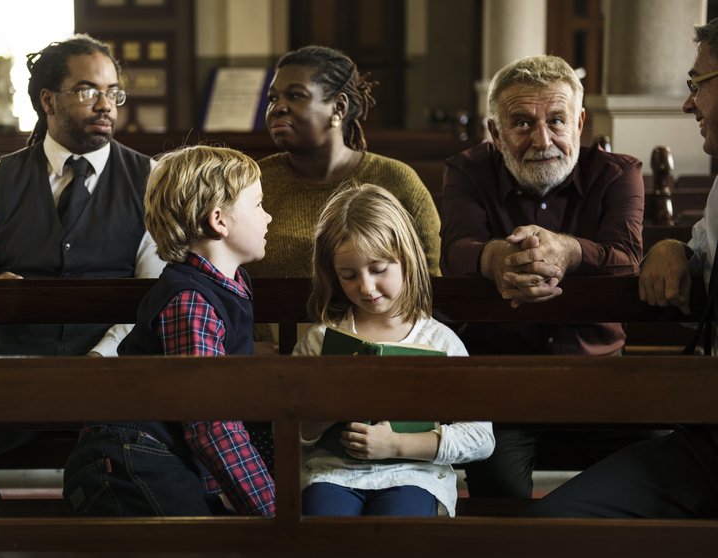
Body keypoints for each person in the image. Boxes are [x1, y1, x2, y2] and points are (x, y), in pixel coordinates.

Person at [0, 34, 164, 499]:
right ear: (48, 99)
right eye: (89, 90)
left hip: (115, 375)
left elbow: (157, 294)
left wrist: (99, 359)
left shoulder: (150, 181)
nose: (106, 104)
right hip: (17, 372)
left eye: (113, 92)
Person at [525, 19, 718, 519]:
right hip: (706, 443)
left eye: (697, 84)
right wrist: (673, 247)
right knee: (550, 525)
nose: (687, 103)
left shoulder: (617, 175)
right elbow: (698, 258)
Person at [440, 54, 653, 499]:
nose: (543, 140)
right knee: (499, 491)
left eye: (556, 121)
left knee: (644, 484)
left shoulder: (619, 174)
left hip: (598, 378)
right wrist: (497, 258)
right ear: (494, 133)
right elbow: (456, 254)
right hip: (500, 381)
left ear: (579, 123)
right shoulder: (466, 171)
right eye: (521, 123)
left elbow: (628, 259)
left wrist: (569, 250)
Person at [63, 145, 276, 516]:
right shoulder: (191, 301)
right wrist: (276, 511)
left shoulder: (227, 286)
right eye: (258, 204)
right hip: (126, 458)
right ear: (219, 221)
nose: (268, 216)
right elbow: (210, 423)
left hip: (153, 456)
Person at [293, 183, 493, 517]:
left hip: (413, 475)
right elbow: (288, 430)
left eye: (379, 269)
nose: (366, 287)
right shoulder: (321, 340)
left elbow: (480, 437)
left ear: (405, 259)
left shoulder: (440, 342)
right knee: (323, 524)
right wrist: (323, 413)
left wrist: (397, 444)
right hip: (334, 474)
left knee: (399, 527)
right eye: (349, 275)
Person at [247, 45, 440, 279]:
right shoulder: (253, 183)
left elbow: (429, 280)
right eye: (272, 98)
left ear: (338, 108)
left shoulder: (396, 180)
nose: (277, 107)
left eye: (295, 95)